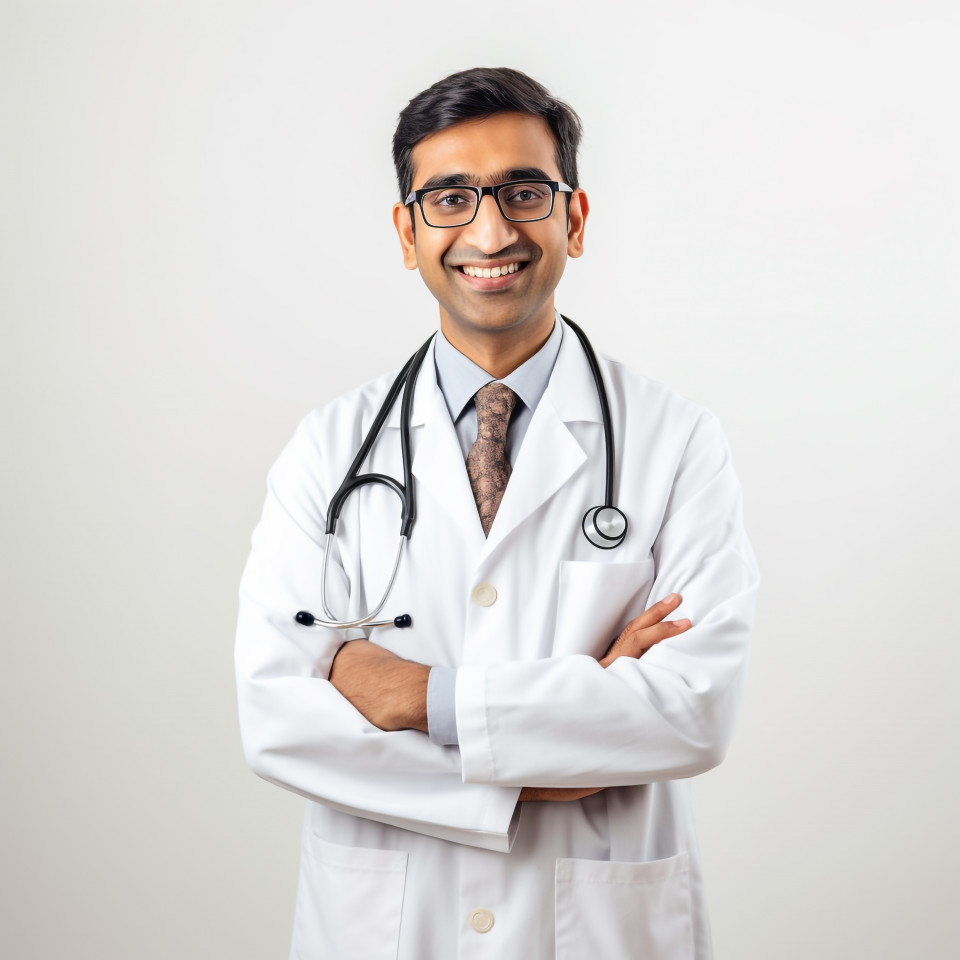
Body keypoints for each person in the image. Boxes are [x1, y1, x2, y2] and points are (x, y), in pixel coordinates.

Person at [235, 66, 758, 960]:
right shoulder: (328, 451)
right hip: (390, 926)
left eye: (523, 192)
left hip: (598, 925)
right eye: (450, 198)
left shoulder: (675, 442)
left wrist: (419, 697)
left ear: (574, 219)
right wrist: (528, 773)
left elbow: (688, 706)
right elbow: (279, 715)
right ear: (407, 231)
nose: (490, 229)